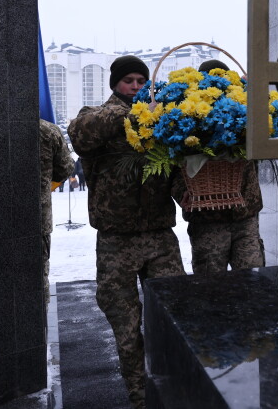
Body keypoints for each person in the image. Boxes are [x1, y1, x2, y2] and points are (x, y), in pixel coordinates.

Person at [68, 55, 184, 409]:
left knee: (172, 318)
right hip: (116, 242)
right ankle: (141, 398)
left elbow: (175, 172)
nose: (135, 86)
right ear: (115, 83)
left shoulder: (160, 119)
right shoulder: (97, 116)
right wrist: (132, 115)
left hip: (160, 238)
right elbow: (80, 134)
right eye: (128, 80)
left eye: (140, 81)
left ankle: (174, 392)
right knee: (127, 327)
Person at [172, 59, 266, 274]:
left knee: (252, 276)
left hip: (246, 216)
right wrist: (182, 193)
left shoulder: (243, 114)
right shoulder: (190, 120)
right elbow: (176, 168)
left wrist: (256, 93)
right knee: (211, 282)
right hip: (207, 220)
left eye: (222, 81)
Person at [39, 119, 75, 304]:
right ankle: (40, 318)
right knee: (37, 276)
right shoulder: (47, 131)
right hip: (38, 219)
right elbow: (65, 168)